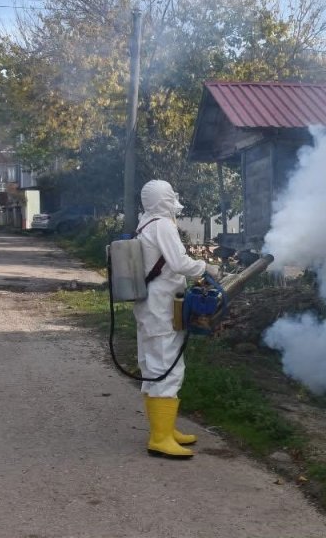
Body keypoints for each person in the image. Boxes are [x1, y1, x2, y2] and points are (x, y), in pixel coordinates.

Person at [133, 180, 220, 459]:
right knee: (167, 366)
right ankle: (160, 438)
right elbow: (180, 263)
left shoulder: (145, 223)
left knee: (152, 365)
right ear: (167, 199)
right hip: (161, 307)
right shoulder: (163, 225)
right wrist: (208, 268)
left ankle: (166, 429)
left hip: (150, 304)